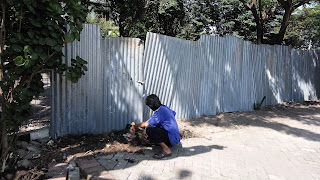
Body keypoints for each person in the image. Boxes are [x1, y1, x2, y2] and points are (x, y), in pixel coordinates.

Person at [130, 94, 181, 159]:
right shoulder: (164, 107)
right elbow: (173, 113)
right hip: (175, 136)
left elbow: (146, 124)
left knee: (149, 130)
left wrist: (134, 126)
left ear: (151, 106)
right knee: (155, 127)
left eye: (149, 106)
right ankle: (165, 143)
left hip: (172, 138)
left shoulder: (160, 112)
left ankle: (166, 149)